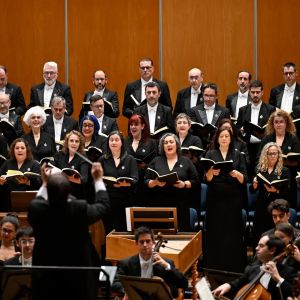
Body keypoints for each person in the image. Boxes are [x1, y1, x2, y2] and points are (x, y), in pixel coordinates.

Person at [28, 162, 110, 300]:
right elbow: (103, 206)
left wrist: (44, 183)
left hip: (46, 280)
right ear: (68, 192)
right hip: (77, 281)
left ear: (48, 191)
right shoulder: (79, 209)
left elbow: (39, 200)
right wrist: (98, 180)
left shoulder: (37, 210)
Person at [203, 127, 248, 273]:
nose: (223, 139)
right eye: (221, 136)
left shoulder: (238, 155)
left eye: (226, 136)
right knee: (215, 232)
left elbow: (244, 179)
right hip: (215, 198)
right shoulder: (210, 154)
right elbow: (206, 179)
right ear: (217, 139)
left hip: (233, 198)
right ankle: (213, 267)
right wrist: (211, 172)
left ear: (231, 139)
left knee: (232, 232)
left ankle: (233, 267)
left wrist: (237, 174)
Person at [112, 226, 188, 298]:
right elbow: (115, 282)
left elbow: (184, 284)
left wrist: (166, 266)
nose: (145, 245)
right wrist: (128, 291)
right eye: (141, 242)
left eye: (148, 241)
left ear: (153, 243)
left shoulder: (166, 263)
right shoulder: (126, 263)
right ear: (136, 244)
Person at [213, 235, 297, 300]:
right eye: (257, 245)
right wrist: (228, 285)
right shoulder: (252, 268)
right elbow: (238, 282)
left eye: (261, 246)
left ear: (272, 250)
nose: (256, 248)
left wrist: (278, 278)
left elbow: (293, 295)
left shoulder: (288, 272)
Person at [145, 133, 199, 231]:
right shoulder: (156, 161)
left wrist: (183, 184)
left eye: (171, 142)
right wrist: (155, 183)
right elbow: (145, 181)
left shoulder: (186, 161)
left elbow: (196, 182)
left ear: (177, 145)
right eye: (165, 143)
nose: (168, 144)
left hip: (180, 205)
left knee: (181, 235)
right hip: (160, 205)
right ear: (162, 146)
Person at [259, 109, 300, 208]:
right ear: (272, 124)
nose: (279, 124)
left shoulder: (293, 139)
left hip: (288, 182)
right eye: (276, 122)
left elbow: (298, 160)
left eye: (281, 122)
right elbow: (259, 158)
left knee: (286, 209)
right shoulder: (267, 139)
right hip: (269, 180)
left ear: (286, 123)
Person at [236, 80, 276, 180]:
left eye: (257, 92)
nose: (255, 95)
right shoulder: (243, 109)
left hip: (263, 147)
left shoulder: (270, 109)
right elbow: (237, 127)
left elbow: (273, 128)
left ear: (262, 92)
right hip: (247, 146)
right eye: (253, 92)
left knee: (261, 174)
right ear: (249, 92)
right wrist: (240, 131)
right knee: (247, 173)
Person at [99, 131, 138, 233]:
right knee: (109, 230)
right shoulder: (103, 159)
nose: (114, 142)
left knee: (124, 230)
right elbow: (97, 180)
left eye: (116, 140)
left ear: (121, 143)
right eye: (111, 140)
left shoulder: (130, 159)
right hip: (108, 200)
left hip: (125, 200)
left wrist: (126, 183)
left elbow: (135, 179)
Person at [252, 142, 290, 246]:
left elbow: (288, 191)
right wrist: (254, 185)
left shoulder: (284, 170)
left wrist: (277, 191)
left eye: (275, 153)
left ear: (279, 154)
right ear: (265, 155)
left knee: (276, 236)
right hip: (262, 205)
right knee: (260, 233)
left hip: (277, 206)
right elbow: (253, 190)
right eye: (270, 153)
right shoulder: (259, 169)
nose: (273, 156)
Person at [124, 113, 157, 205]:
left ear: (142, 126)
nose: (133, 127)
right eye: (131, 124)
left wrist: (145, 166)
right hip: (128, 183)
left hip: (144, 183)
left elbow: (155, 163)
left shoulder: (151, 143)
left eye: (136, 124)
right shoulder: (125, 142)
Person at [0, 138, 41, 211]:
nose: (19, 150)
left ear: (27, 150)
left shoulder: (35, 164)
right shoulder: (7, 163)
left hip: (28, 201)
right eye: (17, 148)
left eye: (22, 148)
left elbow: (39, 185)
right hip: (8, 202)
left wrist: (27, 182)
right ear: (13, 150)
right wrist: (1, 182)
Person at [188, 82, 230, 150]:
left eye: (211, 96)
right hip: (199, 145)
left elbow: (227, 130)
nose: (208, 98)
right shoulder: (194, 110)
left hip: (218, 146)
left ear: (216, 96)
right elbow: (191, 130)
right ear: (202, 95)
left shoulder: (224, 111)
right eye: (206, 95)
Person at [52, 130, 89, 199]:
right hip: (59, 193)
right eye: (71, 141)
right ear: (67, 142)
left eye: (77, 141)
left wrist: (67, 177)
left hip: (76, 195)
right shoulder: (59, 155)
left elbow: (84, 179)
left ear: (80, 144)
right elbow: (52, 168)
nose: (74, 143)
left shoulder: (83, 158)